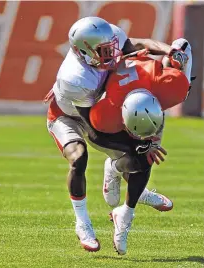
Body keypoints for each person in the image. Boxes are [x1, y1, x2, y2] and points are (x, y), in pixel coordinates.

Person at [45, 16, 184, 252]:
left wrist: (167, 49)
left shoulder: (110, 35)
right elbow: (95, 132)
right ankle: (82, 223)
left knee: (143, 154)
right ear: (83, 53)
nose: (112, 53)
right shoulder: (75, 78)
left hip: (106, 106)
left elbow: (138, 45)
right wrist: (136, 145)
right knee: (79, 157)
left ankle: (131, 185)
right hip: (68, 116)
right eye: (103, 50)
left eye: (111, 46)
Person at [88, 38, 193, 255]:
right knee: (139, 153)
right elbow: (95, 137)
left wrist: (172, 52)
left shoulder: (171, 87)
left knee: (147, 155)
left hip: (150, 95)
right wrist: (131, 147)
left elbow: (143, 42)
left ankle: (126, 209)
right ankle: (117, 169)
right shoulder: (105, 114)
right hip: (120, 105)